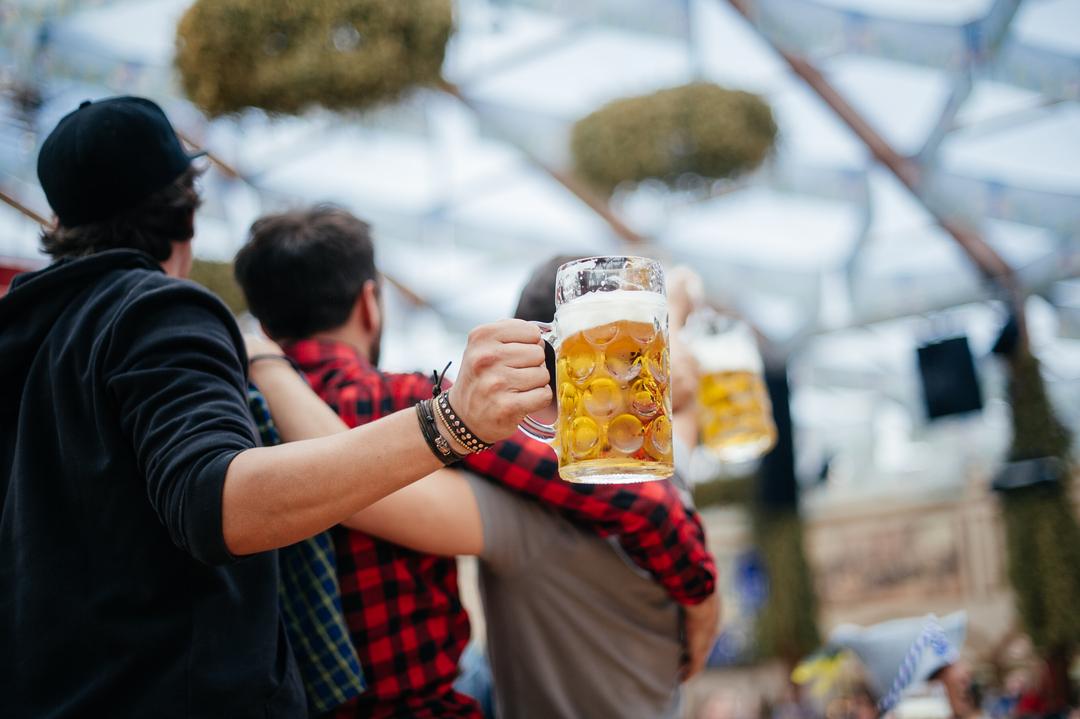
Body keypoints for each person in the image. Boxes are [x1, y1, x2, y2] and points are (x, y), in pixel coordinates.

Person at [0, 96, 552, 718]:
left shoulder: (21, 336)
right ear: (186, 211)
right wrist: (451, 423)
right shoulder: (157, 311)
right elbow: (216, 501)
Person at [233, 208, 719, 718]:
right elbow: (635, 499)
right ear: (370, 305)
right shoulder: (410, 403)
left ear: (265, 322)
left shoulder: (232, 415)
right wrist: (702, 593)